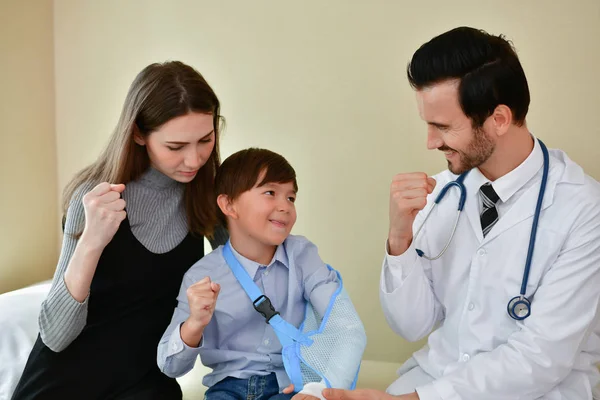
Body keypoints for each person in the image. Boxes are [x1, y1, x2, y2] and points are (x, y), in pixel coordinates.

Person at [324, 27, 600, 400]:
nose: (430, 142)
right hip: (435, 376)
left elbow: (542, 358)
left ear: (499, 119)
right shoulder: (441, 194)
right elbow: (411, 326)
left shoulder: (583, 209)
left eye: (442, 127)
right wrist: (399, 238)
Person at [12, 61, 228, 400]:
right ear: (139, 134)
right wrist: (90, 243)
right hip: (64, 383)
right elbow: (55, 335)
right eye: (176, 147)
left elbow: (256, 278)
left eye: (205, 140)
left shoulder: (208, 198)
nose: (194, 159)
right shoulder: (95, 197)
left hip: (145, 383)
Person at [157, 148, 366, 400]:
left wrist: (317, 391)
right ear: (228, 205)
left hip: (290, 386)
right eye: (270, 193)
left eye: (291, 198)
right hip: (227, 389)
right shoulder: (201, 276)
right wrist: (194, 324)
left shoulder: (303, 256)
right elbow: (170, 366)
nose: (285, 207)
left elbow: (347, 328)